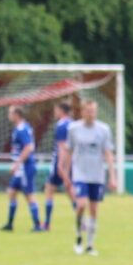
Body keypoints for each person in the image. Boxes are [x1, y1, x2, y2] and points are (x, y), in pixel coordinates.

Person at [70, 99, 116, 254]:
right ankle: (78, 237)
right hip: (80, 173)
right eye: (88, 111)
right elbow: (69, 150)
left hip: (97, 175)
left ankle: (90, 245)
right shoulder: (74, 129)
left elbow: (108, 153)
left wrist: (112, 176)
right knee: (81, 205)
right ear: (82, 112)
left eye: (94, 111)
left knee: (94, 210)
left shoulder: (103, 130)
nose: (91, 114)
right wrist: (65, 170)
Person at [1, 105, 42, 231]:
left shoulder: (22, 129)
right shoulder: (21, 127)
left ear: (17, 115)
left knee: (29, 195)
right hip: (21, 169)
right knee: (11, 192)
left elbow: (28, 147)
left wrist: (17, 163)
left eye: (10, 113)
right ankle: (9, 224)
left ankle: (37, 225)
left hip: (25, 167)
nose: (9, 116)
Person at [41, 102, 74, 230]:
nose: (55, 112)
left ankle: (47, 223)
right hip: (72, 161)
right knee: (70, 190)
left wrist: (60, 165)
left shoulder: (61, 125)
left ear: (61, 110)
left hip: (61, 161)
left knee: (49, 189)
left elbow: (62, 146)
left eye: (56, 110)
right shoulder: (72, 124)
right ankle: (82, 221)